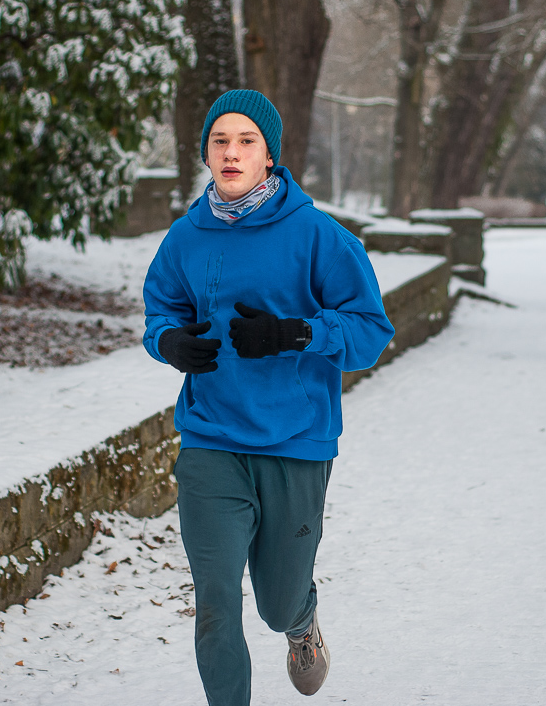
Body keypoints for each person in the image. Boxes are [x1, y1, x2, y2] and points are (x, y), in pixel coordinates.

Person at [142, 89, 395, 706]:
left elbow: (370, 333)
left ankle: (301, 620)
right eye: (219, 141)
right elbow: (159, 314)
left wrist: (300, 333)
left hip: (295, 442)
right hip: (210, 439)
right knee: (217, 603)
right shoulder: (185, 237)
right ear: (206, 153)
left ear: (269, 156)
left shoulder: (318, 236)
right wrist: (170, 342)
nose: (231, 153)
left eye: (246, 141)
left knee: (276, 603)